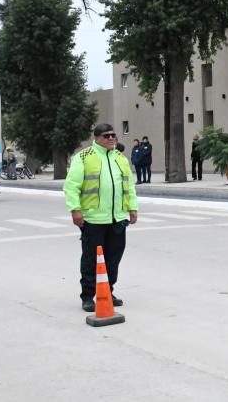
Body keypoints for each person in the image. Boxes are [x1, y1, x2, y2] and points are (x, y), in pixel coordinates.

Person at [64, 123, 138, 313]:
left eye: (114, 135)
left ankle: (107, 291)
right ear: (96, 138)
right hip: (93, 219)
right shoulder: (83, 157)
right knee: (91, 260)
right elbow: (71, 186)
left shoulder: (120, 158)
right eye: (107, 136)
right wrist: (75, 209)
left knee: (113, 259)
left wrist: (133, 208)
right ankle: (88, 296)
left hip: (118, 219)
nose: (111, 138)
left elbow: (129, 186)